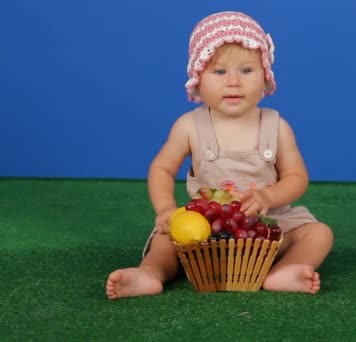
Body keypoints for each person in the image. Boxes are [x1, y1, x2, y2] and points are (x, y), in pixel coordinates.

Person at [106, 11, 333, 299]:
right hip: (205, 227)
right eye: (219, 71)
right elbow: (162, 168)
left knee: (318, 233)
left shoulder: (277, 126)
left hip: (265, 227)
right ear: (198, 80)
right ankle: (151, 273)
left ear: (265, 77)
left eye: (247, 70)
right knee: (166, 240)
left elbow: (297, 177)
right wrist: (165, 209)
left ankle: (285, 270)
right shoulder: (189, 126)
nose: (234, 82)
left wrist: (268, 197)